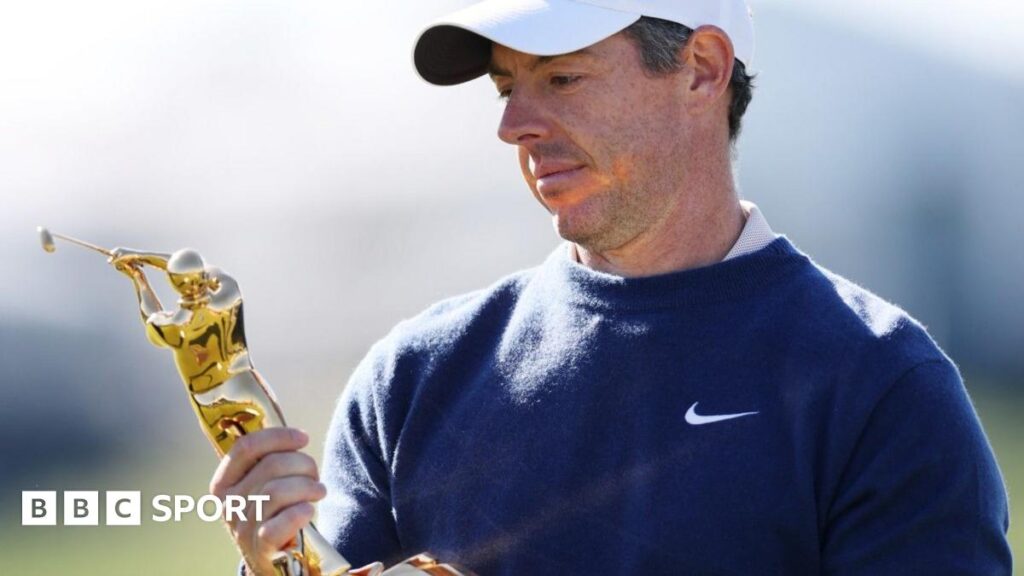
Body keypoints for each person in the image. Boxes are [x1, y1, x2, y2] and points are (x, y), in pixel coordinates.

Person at [210, 1, 1013, 574]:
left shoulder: (880, 386)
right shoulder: (413, 376)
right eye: (504, 85)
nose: (512, 123)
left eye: (560, 79)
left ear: (701, 70)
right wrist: (272, 565)